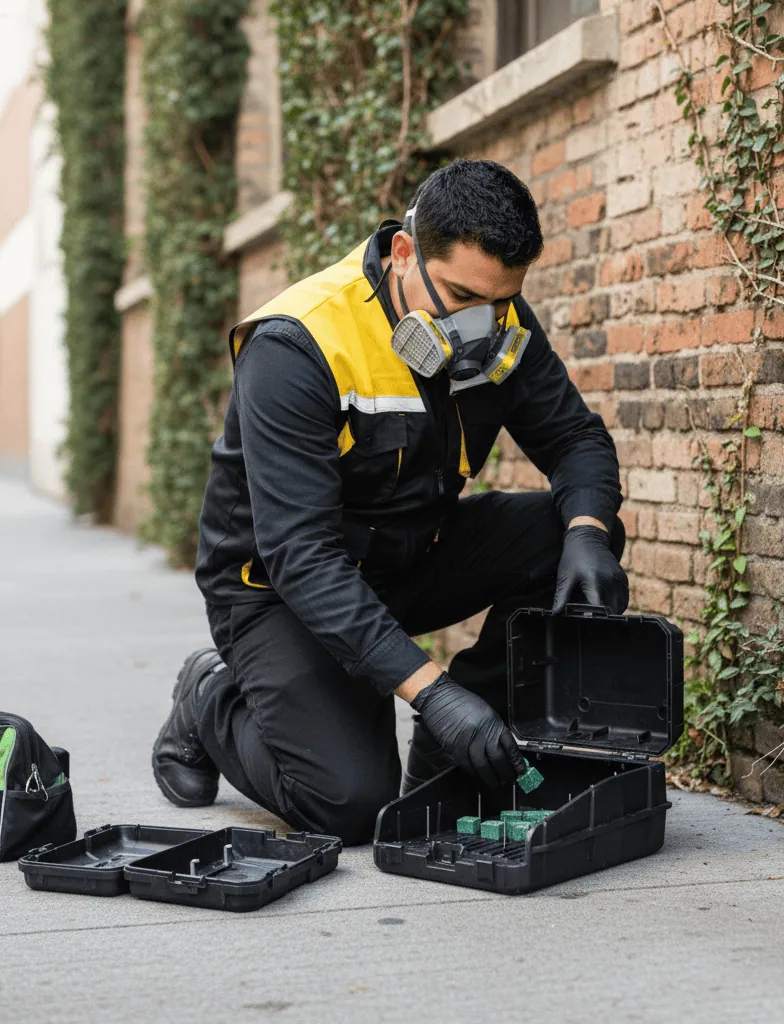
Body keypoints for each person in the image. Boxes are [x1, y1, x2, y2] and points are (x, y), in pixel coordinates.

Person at [152, 159, 627, 844]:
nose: (481, 325)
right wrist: (431, 693)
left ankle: (450, 755)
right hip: (280, 593)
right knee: (350, 804)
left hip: (410, 557)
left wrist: (586, 531)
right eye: (462, 297)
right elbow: (302, 556)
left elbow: (576, 438)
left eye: (500, 301)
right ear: (404, 253)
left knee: (571, 536)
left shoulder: (499, 322)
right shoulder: (298, 344)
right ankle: (210, 697)